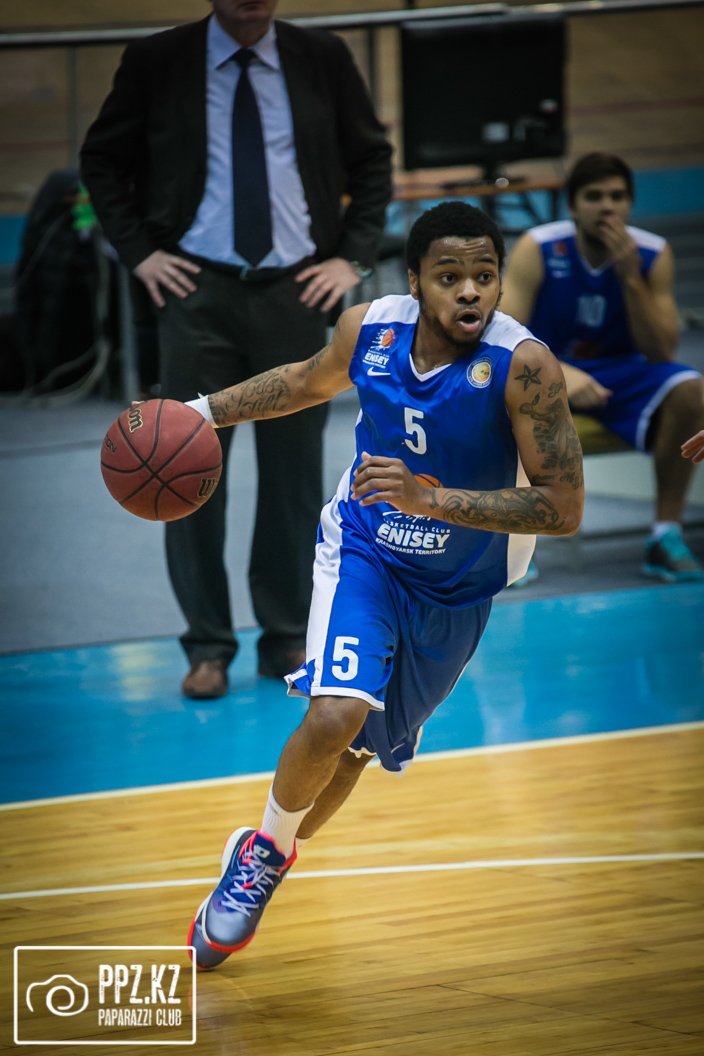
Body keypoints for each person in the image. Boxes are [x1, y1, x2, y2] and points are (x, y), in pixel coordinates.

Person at [178, 201, 585, 969]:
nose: (470, 290)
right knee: (337, 713)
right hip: (364, 548)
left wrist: (431, 499)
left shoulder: (523, 366)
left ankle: (268, 846)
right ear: (415, 280)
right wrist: (201, 412)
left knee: (359, 750)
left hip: (460, 584)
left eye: (485, 275)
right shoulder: (369, 330)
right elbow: (304, 382)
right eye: (449, 276)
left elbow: (562, 508)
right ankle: (261, 863)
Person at [80, 0, 393, 697]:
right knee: (178, 464)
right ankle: (207, 645)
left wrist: (351, 256)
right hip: (196, 292)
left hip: (295, 292)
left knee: (293, 478)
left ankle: (285, 635)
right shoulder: (158, 61)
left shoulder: (323, 58)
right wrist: (139, 253)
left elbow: (372, 160)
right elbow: (101, 161)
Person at [501, 152, 704, 584]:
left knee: (691, 390)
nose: (607, 207)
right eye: (594, 197)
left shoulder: (651, 253)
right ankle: (519, 539)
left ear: (630, 204)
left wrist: (630, 277)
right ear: (573, 206)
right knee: (499, 387)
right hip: (545, 371)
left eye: (617, 197)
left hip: (621, 375)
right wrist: (560, 373)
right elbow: (504, 338)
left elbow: (662, 351)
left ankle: (664, 535)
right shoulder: (539, 247)